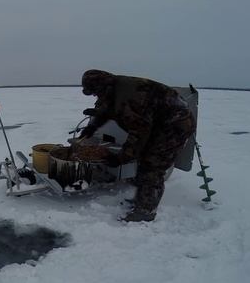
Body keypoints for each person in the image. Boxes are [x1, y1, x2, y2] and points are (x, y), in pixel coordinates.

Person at [79, 69, 196, 222]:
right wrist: (92, 126)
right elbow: (107, 107)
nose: (95, 95)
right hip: (158, 122)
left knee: (153, 166)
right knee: (145, 158)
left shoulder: (130, 97)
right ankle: (142, 199)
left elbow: (138, 133)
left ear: (102, 86)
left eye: (95, 92)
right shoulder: (113, 87)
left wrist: (121, 158)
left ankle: (145, 211)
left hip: (175, 125)